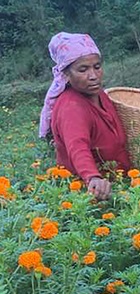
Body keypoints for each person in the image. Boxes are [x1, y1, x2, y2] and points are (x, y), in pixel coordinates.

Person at [39, 32, 131, 200]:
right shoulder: (71, 106)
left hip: (119, 184)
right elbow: (77, 146)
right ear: (66, 74)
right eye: (83, 69)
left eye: (97, 67)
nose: (93, 76)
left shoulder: (100, 95)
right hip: (91, 193)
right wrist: (93, 177)